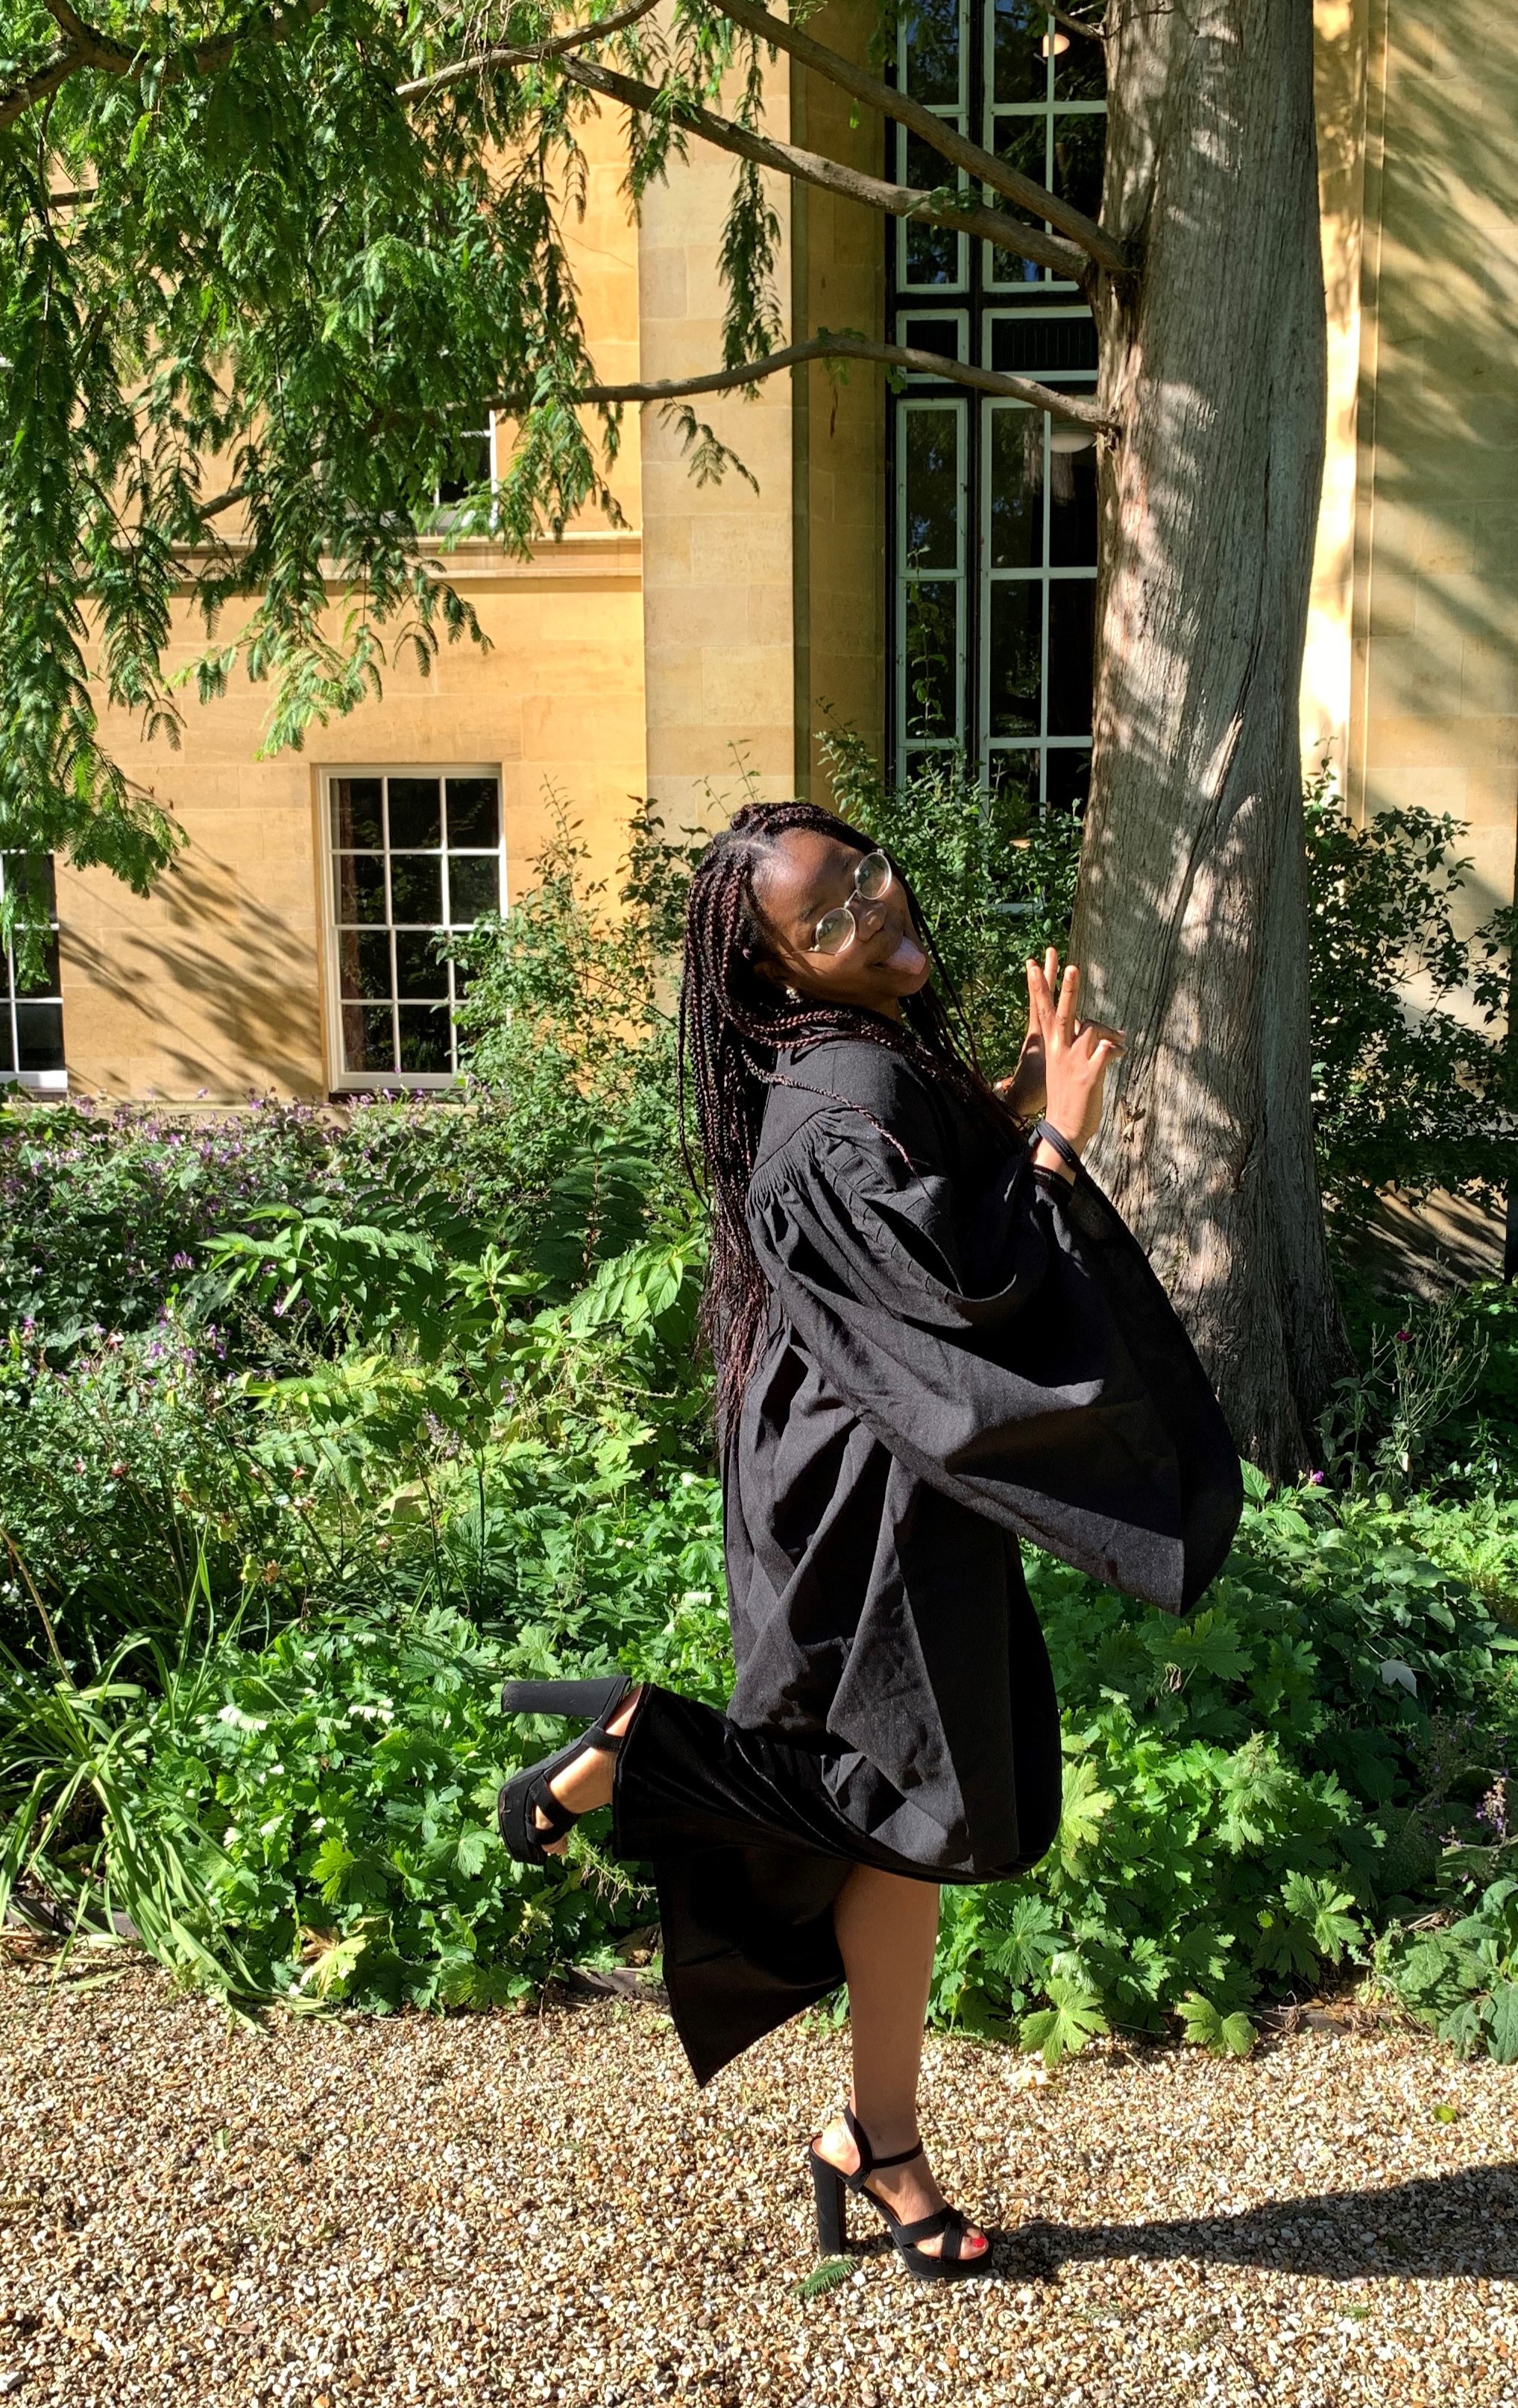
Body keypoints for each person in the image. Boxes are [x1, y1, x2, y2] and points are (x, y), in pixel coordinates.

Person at [496, 801, 1242, 2281]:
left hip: (880, 1456)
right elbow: (961, 1306)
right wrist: (1054, 1141)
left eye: (863, 873)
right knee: (895, 1797)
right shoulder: (830, 1103)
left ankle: (873, 2133)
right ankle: (639, 1756)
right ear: (777, 972)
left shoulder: (859, 1059)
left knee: (907, 1817)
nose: (872, 910)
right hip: (869, 1482)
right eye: (824, 916)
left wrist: (1005, 1107)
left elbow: (929, 1240)